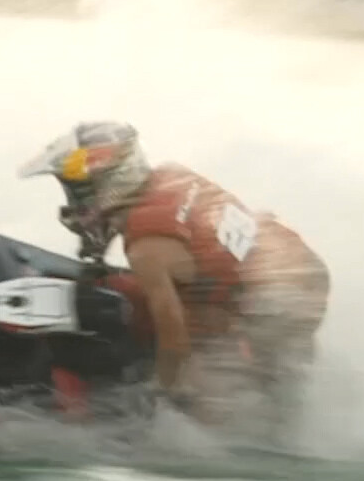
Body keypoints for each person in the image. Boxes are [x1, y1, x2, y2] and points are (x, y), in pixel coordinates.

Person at [17, 120, 331, 429]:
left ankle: (259, 433)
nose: (76, 204)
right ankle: (291, 403)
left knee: (203, 402)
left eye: (80, 192)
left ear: (110, 181)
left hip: (276, 293)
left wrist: (163, 395)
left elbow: (175, 340)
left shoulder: (148, 247)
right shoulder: (171, 176)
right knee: (274, 373)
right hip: (298, 267)